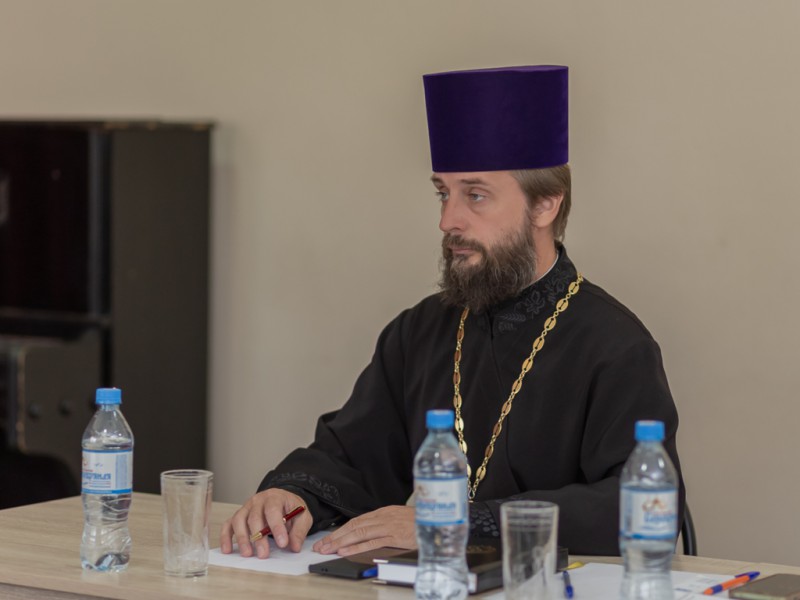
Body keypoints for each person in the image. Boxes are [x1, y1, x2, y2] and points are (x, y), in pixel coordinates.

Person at [220, 65, 685, 559]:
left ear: (545, 205)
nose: (447, 220)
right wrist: (291, 493)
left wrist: (460, 522)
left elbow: (636, 505)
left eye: (475, 195)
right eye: (443, 193)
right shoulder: (420, 330)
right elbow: (353, 456)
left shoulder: (614, 344)